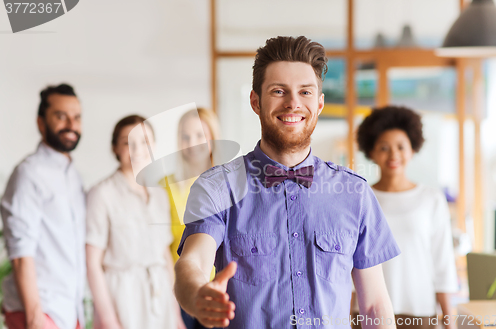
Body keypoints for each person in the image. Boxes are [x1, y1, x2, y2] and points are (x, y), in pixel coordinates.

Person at [174, 36, 401, 329]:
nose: (293, 103)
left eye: (305, 92)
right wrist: (197, 296)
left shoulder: (355, 193)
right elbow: (191, 264)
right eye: (279, 91)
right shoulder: (217, 187)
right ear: (256, 101)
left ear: (319, 103)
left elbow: (374, 304)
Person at [356, 106, 458, 329]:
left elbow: (443, 263)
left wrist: (450, 319)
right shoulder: (361, 198)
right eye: (384, 147)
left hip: (419, 311)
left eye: (401, 147)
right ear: (371, 152)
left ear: (412, 149)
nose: (394, 155)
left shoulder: (431, 199)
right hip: (367, 313)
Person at [85, 115, 185, 329]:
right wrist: (109, 320)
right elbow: (92, 263)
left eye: (145, 142)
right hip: (123, 299)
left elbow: (164, 255)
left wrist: (176, 315)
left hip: (161, 300)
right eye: (128, 142)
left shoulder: (159, 195)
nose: (138, 149)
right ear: (115, 148)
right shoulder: (101, 194)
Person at [0, 83, 85, 329]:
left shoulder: (73, 176)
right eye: (61, 116)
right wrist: (36, 318)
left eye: (76, 117)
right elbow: (20, 254)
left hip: (69, 311)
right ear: (40, 123)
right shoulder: (29, 174)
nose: (71, 124)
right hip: (38, 312)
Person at [163, 108, 220, 329]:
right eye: (185, 137)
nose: (192, 143)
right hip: (180, 291)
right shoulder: (165, 186)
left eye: (200, 135)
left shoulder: (228, 184)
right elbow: (162, 246)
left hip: (220, 289)